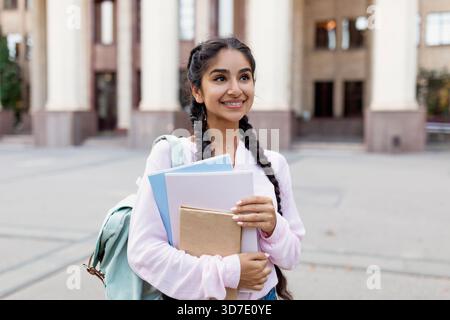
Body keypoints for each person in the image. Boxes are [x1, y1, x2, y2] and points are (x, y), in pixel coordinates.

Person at [127, 37, 305, 300]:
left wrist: (273, 225)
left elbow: (291, 256)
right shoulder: (171, 156)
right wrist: (228, 272)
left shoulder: (274, 165)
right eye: (220, 78)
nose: (236, 89)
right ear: (197, 91)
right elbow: (144, 252)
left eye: (244, 77)